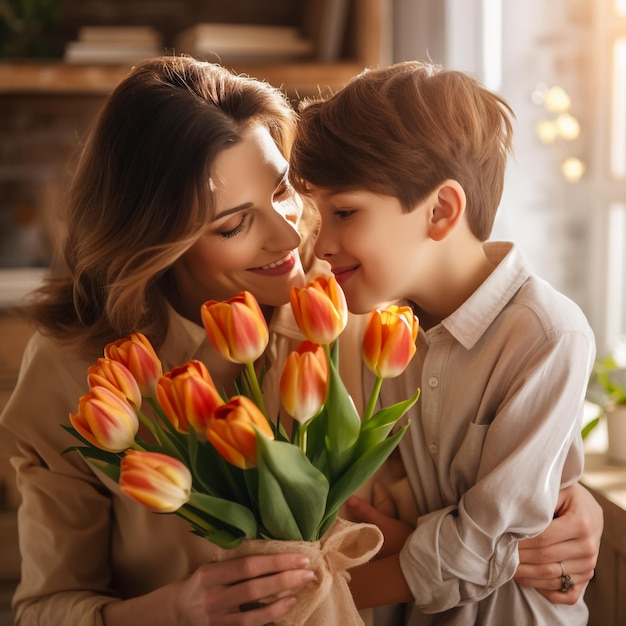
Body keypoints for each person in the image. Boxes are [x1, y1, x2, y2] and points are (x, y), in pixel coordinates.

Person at [0, 56, 600, 626]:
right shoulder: (73, 377)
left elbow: (488, 372)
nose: (290, 235)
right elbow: (45, 608)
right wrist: (178, 611)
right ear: (155, 243)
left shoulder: (351, 299)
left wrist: (570, 505)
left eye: (285, 190)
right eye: (235, 223)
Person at [288, 60, 598, 624]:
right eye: (318, 216)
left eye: (344, 213)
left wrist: (320, 600)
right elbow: (444, 507)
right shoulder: (396, 329)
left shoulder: (548, 335)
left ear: (440, 210)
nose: (321, 245)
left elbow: (483, 543)